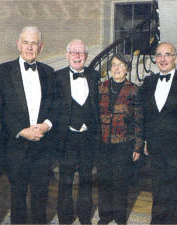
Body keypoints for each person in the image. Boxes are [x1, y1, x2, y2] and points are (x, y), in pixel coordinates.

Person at [0, 26, 56, 224]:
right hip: (16, 145)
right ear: (18, 44)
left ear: (41, 47)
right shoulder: (2, 72)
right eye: (26, 43)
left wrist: (46, 125)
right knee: (18, 197)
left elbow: (57, 106)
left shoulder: (49, 72)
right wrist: (21, 131)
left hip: (43, 146)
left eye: (34, 43)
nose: (30, 47)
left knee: (40, 196)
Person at [141, 42, 177, 224]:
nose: (163, 59)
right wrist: (145, 141)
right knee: (157, 188)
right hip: (156, 145)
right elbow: (146, 116)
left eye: (167, 54)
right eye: (159, 55)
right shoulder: (148, 82)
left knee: (175, 189)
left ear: (176, 57)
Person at [54, 39, 101, 225]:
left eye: (81, 53)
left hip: (88, 137)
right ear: (67, 55)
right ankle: (65, 218)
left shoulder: (95, 76)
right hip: (66, 138)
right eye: (73, 52)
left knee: (86, 179)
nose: (77, 56)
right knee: (64, 181)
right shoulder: (57, 77)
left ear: (86, 56)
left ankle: (84, 217)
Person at [97, 53, 144, 224]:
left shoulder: (134, 89)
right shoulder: (100, 87)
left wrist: (138, 146)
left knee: (120, 182)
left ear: (127, 68)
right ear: (110, 68)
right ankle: (105, 215)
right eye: (114, 65)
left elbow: (139, 120)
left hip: (123, 144)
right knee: (104, 181)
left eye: (121, 65)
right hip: (103, 143)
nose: (116, 68)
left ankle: (120, 217)